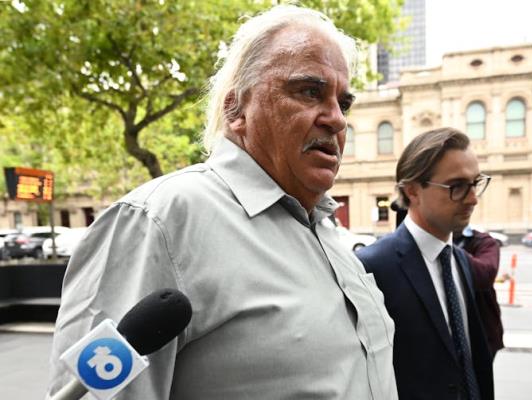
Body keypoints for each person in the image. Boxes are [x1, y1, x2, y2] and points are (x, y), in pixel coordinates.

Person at [46, 6, 397, 399]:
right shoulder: (159, 222)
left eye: (343, 103)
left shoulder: (327, 231)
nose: (336, 119)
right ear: (236, 110)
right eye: (309, 91)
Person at [357, 127, 494, 400]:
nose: (473, 198)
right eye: (457, 186)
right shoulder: (370, 267)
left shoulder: (460, 261)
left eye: (476, 182)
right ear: (412, 191)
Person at [454, 226, 504, 358]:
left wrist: (444, 246)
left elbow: (484, 275)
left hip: (480, 333)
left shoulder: (484, 241)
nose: (471, 203)